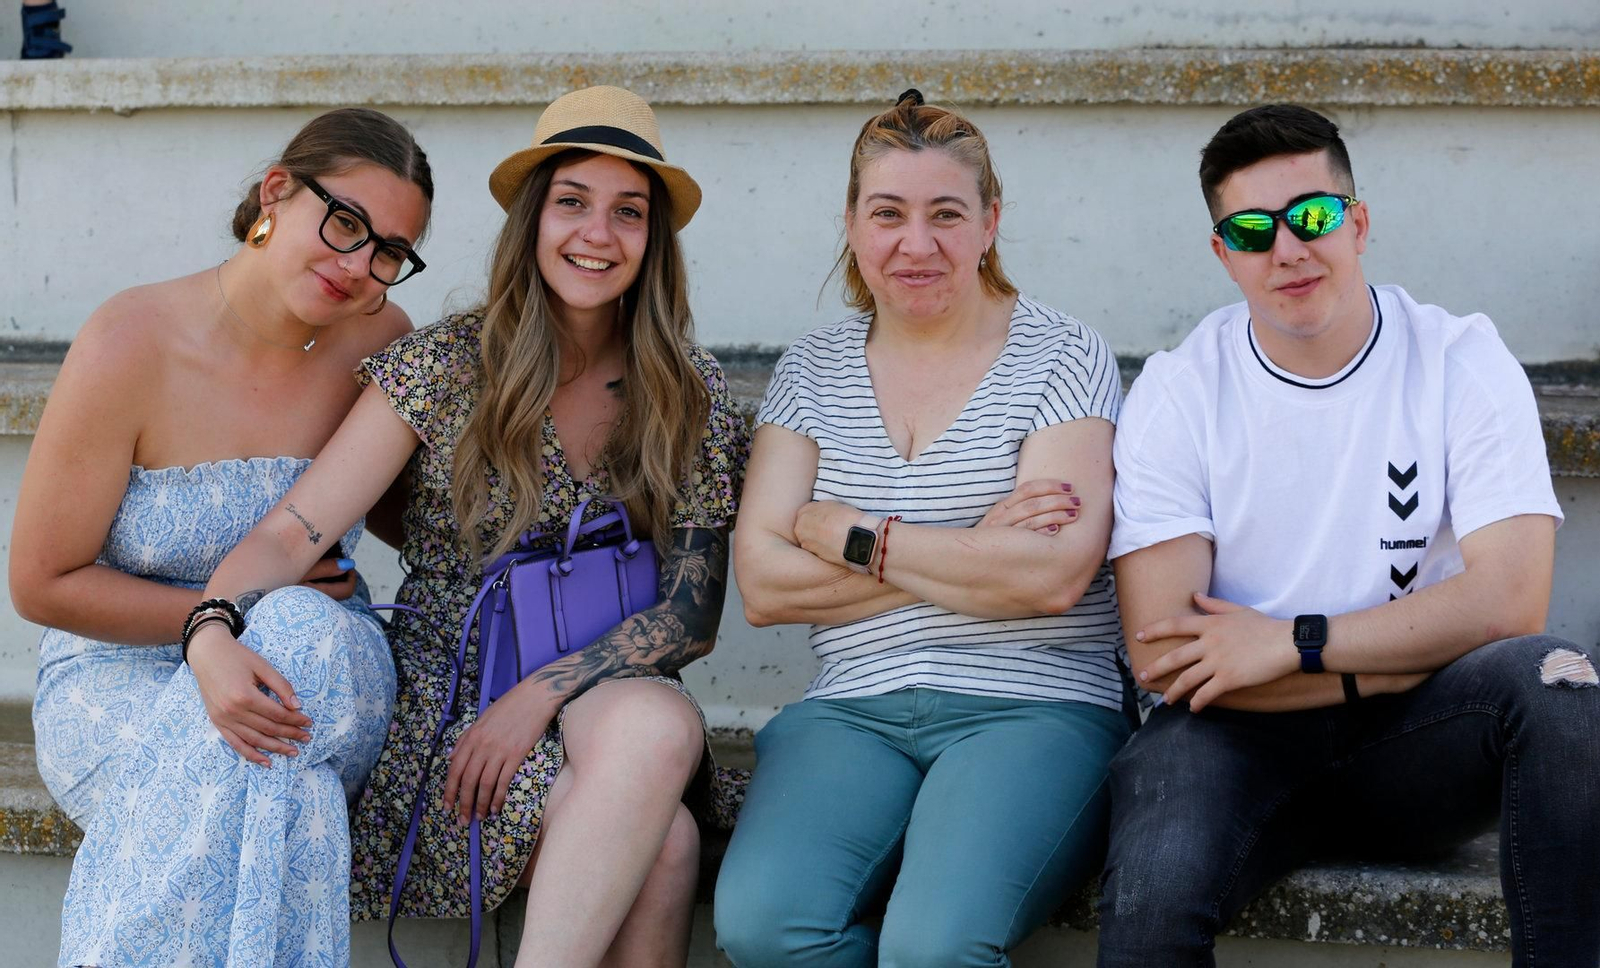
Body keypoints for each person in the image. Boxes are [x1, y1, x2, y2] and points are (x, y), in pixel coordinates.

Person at [181, 86, 748, 968]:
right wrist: (209, 628)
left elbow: (690, 616)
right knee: (668, 842)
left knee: (657, 726)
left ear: (653, 240)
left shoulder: (691, 393)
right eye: (571, 203)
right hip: (456, 717)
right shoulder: (446, 364)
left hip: (600, 702)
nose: (597, 234)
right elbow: (291, 534)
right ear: (531, 220)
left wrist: (541, 695)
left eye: (628, 213)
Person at [1097, 103, 1600, 967]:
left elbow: (1512, 605)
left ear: (1358, 223)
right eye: (1253, 230)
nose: (1288, 249)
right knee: (1150, 899)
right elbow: (1168, 658)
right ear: (1224, 255)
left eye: (1315, 217)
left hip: (1419, 737)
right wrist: (1402, 648)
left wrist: (1292, 644)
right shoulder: (1180, 391)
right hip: (1226, 742)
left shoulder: (1460, 361)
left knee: (1558, 682)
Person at [715, 90, 1133, 968]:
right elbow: (762, 584)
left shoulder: (1063, 353)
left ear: (990, 223)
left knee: (933, 949)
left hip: (1034, 705)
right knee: (765, 928)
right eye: (889, 214)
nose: (917, 244)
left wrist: (853, 533)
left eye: (947, 214)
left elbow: (1051, 578)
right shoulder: (814, 368)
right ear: (852, 224)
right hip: (854, 710)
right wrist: (975, 538)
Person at [11, 108, 432, 964]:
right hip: (117, 675)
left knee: (300, 631)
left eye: (387, 251)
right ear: (278, 192)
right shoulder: (130, 341)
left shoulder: (382, 343)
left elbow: (424, 518)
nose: (358, 267)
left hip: (313, 666)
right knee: (273, 784)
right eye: (345, 222)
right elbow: (43, 582)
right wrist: (211, 629)